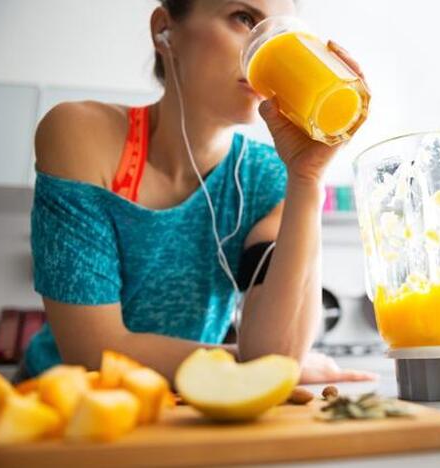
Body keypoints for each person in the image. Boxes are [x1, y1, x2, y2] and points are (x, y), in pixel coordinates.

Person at [20, 0, 376, 385]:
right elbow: (92, 351)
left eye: (282, 32)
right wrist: (252, 366)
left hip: (182, 409)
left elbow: (276, 353)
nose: (266, 46)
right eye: (244, 18)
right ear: (164, 30)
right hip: (58, 410)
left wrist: (308, 179)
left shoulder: (269, 177)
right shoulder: (81, 134)